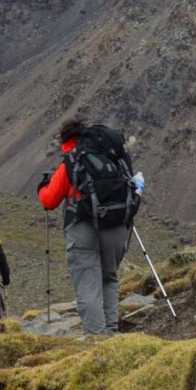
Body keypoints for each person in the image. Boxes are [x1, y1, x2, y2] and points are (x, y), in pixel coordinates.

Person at [37, 118, 137, 335]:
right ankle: (111, 333)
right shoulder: (112, 157)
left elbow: (49, 200)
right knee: (109, 278)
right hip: (117, 225)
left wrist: (42, 187)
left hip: (83, 228)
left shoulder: (72, 161)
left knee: (88, 286)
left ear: (65, 140)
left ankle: (97, 339)